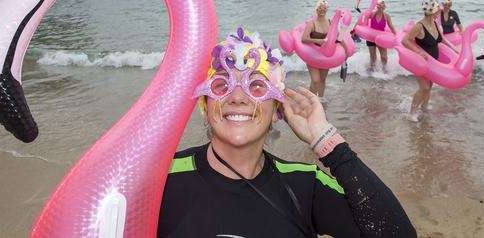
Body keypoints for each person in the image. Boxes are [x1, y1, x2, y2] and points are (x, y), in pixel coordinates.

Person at [158, 28, 416, 237]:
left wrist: (327, 142)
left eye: (256, 86)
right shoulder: (161, 179)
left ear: (276, 110)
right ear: (206, 103)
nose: (237, 97)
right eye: (221, 84)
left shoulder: (304, 185)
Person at [401, 0, 458, 122]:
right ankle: (411, 113)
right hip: (420, 63)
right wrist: (418, 52)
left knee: (430, 86)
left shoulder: (434, 23)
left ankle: (424, 107)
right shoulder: (419, 26)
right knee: (424, 87)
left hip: (433, 62)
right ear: (434, 12)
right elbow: (405, 41)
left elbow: (441, 39)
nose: (440, 11)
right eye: (438, 9)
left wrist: (453, 49)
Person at [300, 0, 332, 100]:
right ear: (316, 9)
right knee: (315, 80)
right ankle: (312, 100)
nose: (322, 10)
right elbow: (303, 39)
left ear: (327, 10)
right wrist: (317, 40)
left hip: (325, 55)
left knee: (322, 79)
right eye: (320, 8)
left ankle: (321, 100)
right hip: (312, 55)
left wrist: (346, 49)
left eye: (324, 8)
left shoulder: (330, 22)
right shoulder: (312, 23)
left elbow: (336, 36)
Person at [366, 0, 397, 71]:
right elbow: (363, 20)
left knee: (384, 57)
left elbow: (391, 26)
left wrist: (395, 36)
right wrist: (355, 31)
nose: (380, 7)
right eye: (379, 5)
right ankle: (372, 70)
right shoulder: (372, 14)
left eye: (382, 5)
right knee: (373, 56)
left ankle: (384, 69)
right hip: (371, 38)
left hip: (381, 39)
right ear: (377, 6)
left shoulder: (386, 16)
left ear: (384, 7)